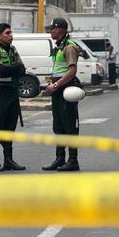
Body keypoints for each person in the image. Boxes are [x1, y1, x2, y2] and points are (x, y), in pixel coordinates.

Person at [0, 23, 27, 172]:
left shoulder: (13, 50)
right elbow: (1, 70)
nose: (11, 35)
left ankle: (8, 160)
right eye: (7, 33)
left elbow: (22, 70)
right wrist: (14, 69)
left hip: (12, 92)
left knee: (10, 127)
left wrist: (13, 70)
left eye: (11, 32)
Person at [42, 18, 81, 172]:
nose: (50, 31)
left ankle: (72, 160)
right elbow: (59, 69)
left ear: (60, 30)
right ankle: (60, 159)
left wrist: (56, 84)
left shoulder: (69, 47)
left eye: (52, 28)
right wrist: (52, 84)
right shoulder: (59, 46)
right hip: (58, 90)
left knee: (69, 126)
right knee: (58, 126)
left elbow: (72, 71)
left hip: (67, 90)